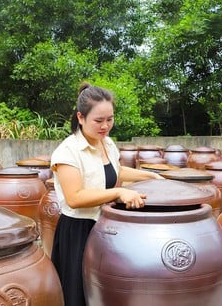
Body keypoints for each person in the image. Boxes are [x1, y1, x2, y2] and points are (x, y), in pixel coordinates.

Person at [50, 82, 163, 306]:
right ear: (81, 118)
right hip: (78, 232)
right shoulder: (68, 151)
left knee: (104, 294)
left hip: (105, 228)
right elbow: (75, 197)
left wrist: (152, 177)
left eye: (109, 119)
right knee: (79, 295)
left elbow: (116, 171)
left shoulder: (107, 143)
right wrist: (119, 192)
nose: (105, 126)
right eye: (98, 121)